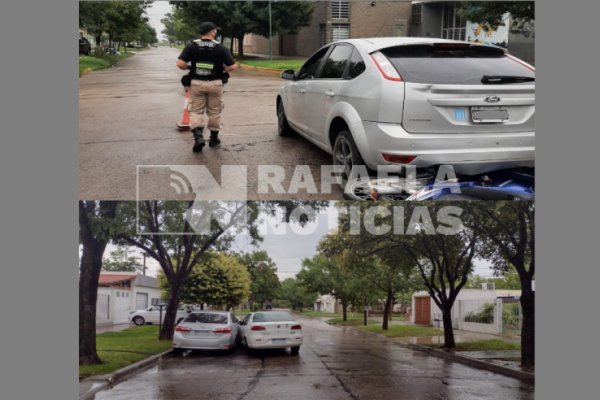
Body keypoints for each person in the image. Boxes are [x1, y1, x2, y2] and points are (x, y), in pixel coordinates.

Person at [176, 22, 238, 152]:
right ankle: (214, 139)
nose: (216, 33)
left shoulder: (192, 46)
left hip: (197, 84)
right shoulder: (220, 48)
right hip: (215, 84)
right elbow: (233, 66)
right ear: (212, 32)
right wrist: (223, 68)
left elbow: (180, 64)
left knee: (196, 111)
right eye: (215, 31)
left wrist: (190, 67)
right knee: (214, 111)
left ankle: (198, 137)